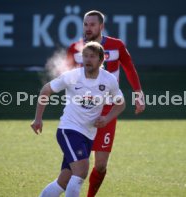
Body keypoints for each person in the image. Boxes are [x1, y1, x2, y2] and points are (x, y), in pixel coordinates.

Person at [31, 41, 126, 197]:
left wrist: (107, 118)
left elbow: (120, 103)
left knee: (63, 181)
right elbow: (46, 90)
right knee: (81, 171)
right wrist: (38, 119)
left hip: (88, 135)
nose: (88, 60)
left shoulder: (108, 80)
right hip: (69, 130)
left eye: (92, 56)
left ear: (101, 60)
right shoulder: (73, 76)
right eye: (85, 56)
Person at [67, 10, 145, 197]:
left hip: (108, 109)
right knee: (75, 165)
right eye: (86, 24)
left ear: (101, 26)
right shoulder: (74, 49)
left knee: (100, 166)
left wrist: (138, 93)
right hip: (81, 111)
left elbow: (129, 67)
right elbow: (65, 77)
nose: (88, 28)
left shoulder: (116, 45)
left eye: (92, 24)